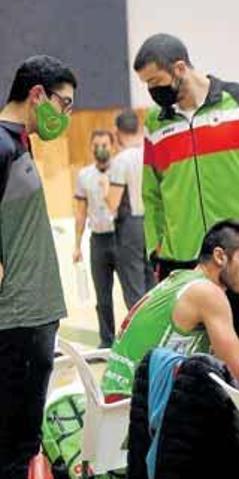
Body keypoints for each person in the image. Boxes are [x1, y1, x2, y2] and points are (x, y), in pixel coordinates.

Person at [133, 33, 239, 365]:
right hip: (183, 265)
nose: (152, 91)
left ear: (180, 68)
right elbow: (152, 195)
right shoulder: (154, 124)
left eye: (156, 81)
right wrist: (156, 254)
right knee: (195, 367)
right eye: (146, 84)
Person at [101, 220, 239, 399]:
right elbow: (238, 372)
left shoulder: (185, 279)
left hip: (119, 396)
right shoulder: (207, 293)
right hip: (130, 405)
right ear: (220, 256)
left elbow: (226, 360)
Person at [0, 54, 76, 478]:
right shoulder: (2, 145)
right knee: (13, 447)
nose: (66, 115)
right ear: (36, 95)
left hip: (31, 319)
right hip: (18, 323)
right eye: (64, 104)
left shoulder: (18, 143)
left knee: (22, 442)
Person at [73, 130, 120, 348]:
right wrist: (77, 244)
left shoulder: (122, 171)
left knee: (133, 293)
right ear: (91, 148)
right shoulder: (84, 176)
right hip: (98, 240)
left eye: (104, 144)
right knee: (102, 297)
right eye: (96, 144)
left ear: (113, 146)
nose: (101, 148)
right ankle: (107, 341)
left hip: (121, 237)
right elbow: (81, 211)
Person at [107, 109, 155, 308]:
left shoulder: (122, 160)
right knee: (153, 281)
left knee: (133, 283)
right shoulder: (150, 152)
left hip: (131, 225)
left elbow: (113, 203)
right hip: (153, 222)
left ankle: (139, 334)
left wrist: (104, 191)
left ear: (117, 132)